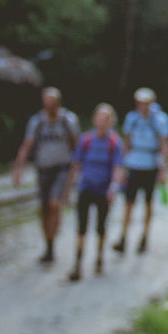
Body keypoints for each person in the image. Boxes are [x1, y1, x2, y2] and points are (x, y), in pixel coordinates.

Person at [12, 86, 80, 264]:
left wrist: (77, 172)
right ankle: (48, 244)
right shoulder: (37, 122)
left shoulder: (68, 120)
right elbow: (27, 145)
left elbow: (77, 147)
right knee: (44, 209)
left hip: (62, 168)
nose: (48, 107)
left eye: (51, 104)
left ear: (58, 104)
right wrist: (18, 168)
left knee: (54, 204)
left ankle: (53, 241)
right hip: (43, 169)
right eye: (45, 104)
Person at [65, 104, 125, 281]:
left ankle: (99, 257)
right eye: (100, 117)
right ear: (94, 119)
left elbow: (117, 167)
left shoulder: (114, 142)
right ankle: (78, 263)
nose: (102, 122)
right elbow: (76, 164)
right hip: (86, 187)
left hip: (103, 190)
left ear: (111, 121)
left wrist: (114, 187)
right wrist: (69, 187)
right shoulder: (86, 140)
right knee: (81, 227)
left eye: (106, 118)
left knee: (101, 226)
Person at [112, 87, 168, 255]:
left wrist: (163, 169)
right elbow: (127, 143)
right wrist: (122, 166)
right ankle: (123, 237)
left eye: (145, 103)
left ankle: (144, 236)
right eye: (140, 103)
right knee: (129, 202)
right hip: (134, 164)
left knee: (148, 203)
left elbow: (164, 144)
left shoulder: (160, 120)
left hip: (151, 165)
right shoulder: (132, 119)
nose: (142, 106)